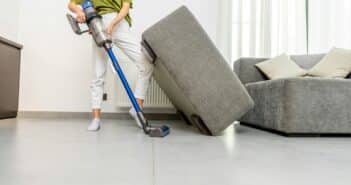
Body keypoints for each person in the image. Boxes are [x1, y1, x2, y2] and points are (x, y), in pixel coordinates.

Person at [68, 0, 153, 131]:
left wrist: (113, 24)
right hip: (98, 24)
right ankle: (96, 118)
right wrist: (80, 12)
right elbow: (71, 3)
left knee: (146, 65)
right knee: (98, 74)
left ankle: (137, 107)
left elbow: (125, 8)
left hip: (119, 23)